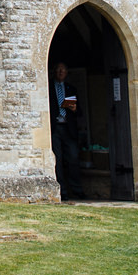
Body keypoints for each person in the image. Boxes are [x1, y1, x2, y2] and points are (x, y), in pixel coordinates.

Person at [51, 60, 84, 200]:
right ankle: (62, 191)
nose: (60, 72)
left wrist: (74, 109)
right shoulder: (48, 87)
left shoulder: (71, 89)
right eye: (58, 69)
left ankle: (77, 189)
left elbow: (80, 111)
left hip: (68, 127)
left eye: (63, 70)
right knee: (57, 160)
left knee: (73, 158)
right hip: (55, 127)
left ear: (66, 73)